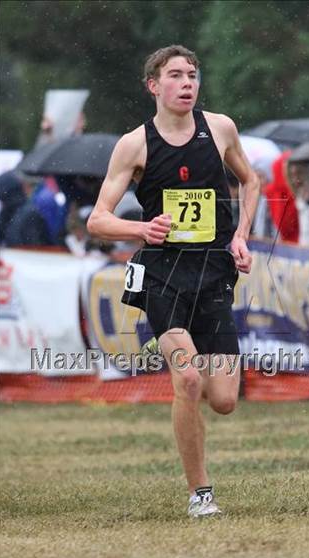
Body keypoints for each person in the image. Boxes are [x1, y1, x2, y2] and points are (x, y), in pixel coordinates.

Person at [87, 45, 260, 517]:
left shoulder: (220, 128)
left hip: (213, 274)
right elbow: (98, 221)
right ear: (153, 85)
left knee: (223, 399)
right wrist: (140, 229)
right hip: (162, 274)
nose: (187, 83)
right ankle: (200, 493)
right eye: (176, 75)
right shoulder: (134, 144)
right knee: (186, 378)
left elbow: (251, 180)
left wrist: (242, 235)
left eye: (193, 75)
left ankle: (196, 395)